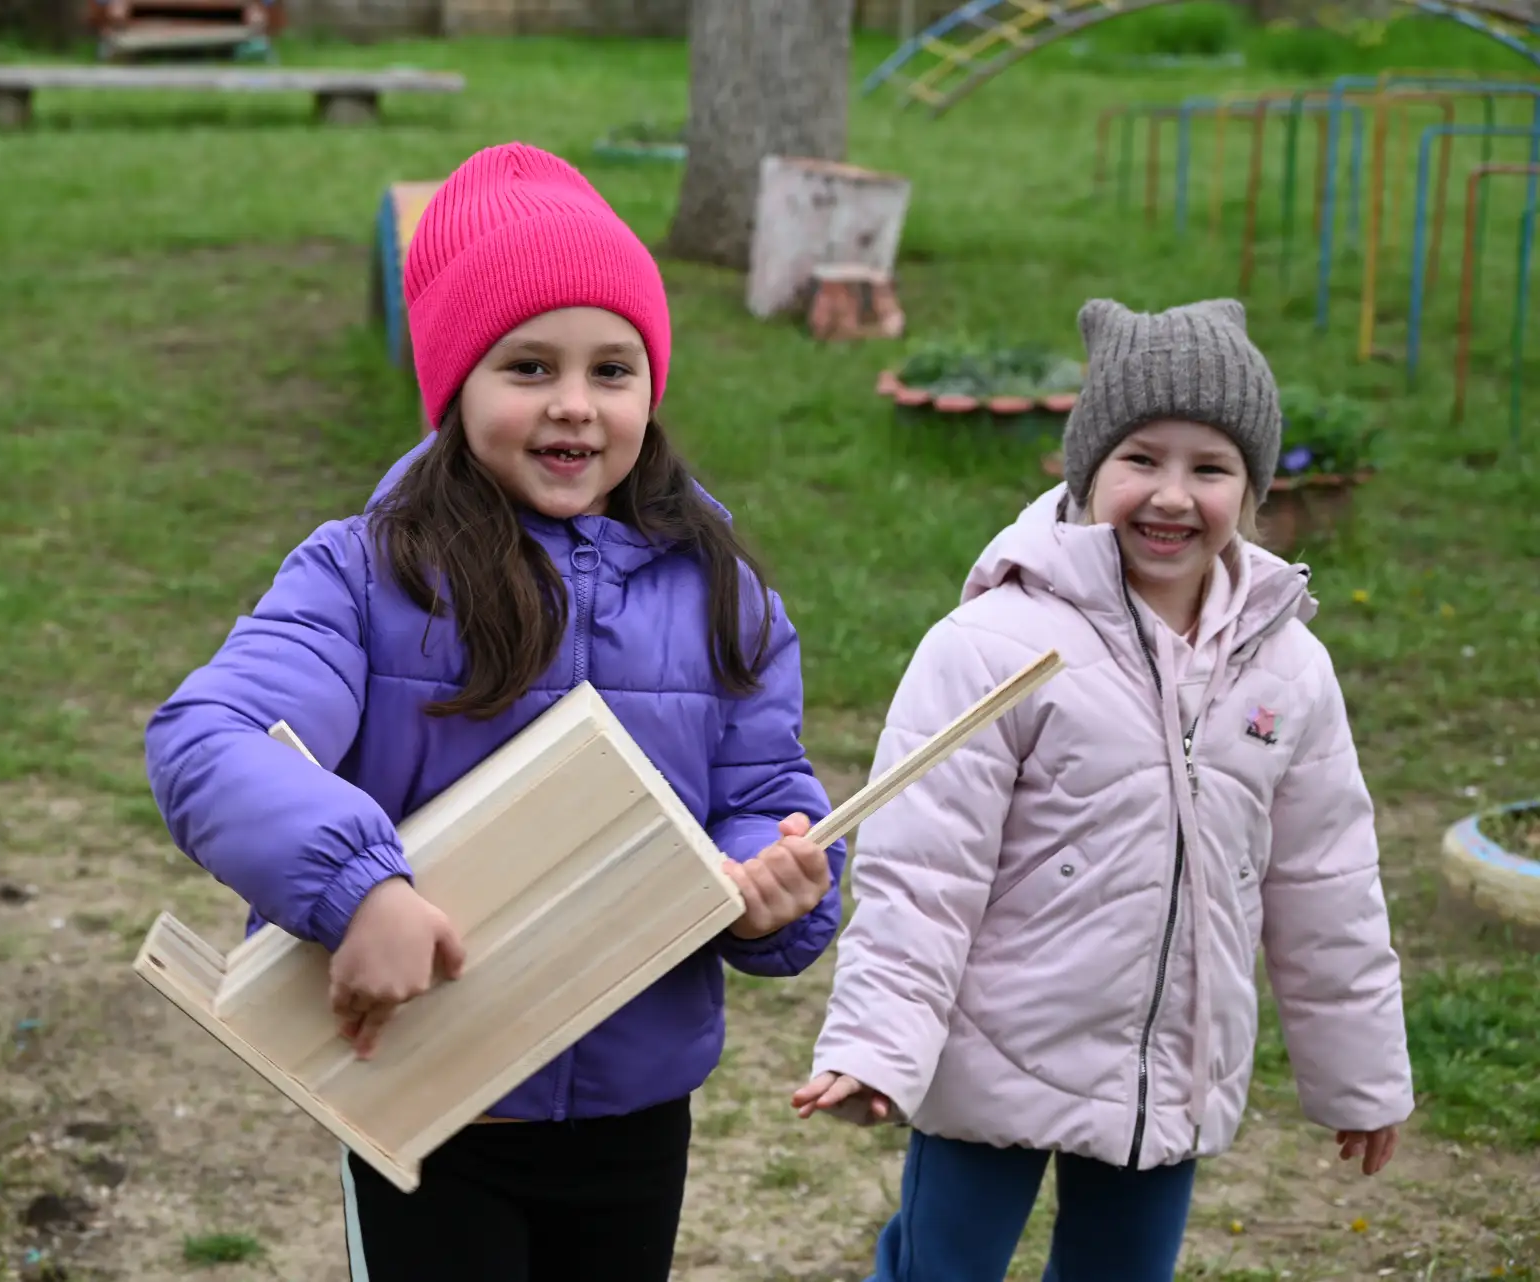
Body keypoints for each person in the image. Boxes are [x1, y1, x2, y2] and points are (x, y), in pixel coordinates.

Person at [145, 141, 846, 1282]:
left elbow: (765, 795)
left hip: (635, 1107)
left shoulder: (722, 593)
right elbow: (204, 740)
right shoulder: (363, 578)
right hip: (429, 1108)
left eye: (613, 370)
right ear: (455, 382)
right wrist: (358, 886)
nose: (575, 406)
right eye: (528, 366)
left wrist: (770, 884)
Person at [792, 297, 1414, 1282]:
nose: (1173, 494)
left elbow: (1328, 884)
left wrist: (1363, 1077)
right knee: (939, 1272)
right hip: (995, 1058)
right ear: (1085, 471)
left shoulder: (1287, 670)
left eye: (1209, 467)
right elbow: (923, 874)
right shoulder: (997, 646)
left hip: (1168, 1073)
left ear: (1250, 489)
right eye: (1141, 458)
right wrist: (877, 1046)